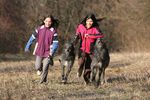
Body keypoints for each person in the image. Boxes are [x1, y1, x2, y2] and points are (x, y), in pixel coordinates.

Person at [25, 15, 59, 84]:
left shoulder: (53, 31)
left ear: (51, 22)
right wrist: (27, 46)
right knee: (37, 66)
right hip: (39, 50)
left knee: (45, 66)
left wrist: (52, 52)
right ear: (44, 21)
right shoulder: (39, 29)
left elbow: (55, 43)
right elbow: (32, 38)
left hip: (48, 52)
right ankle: (40, 68)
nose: (48, 23)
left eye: (49, 21)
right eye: (46, 21)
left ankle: (42, 81)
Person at [72, 13, 104, 85]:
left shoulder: (95, 28)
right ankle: (80, 69)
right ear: (85, 20)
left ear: (93, 22)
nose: (89, 23)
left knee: (88, 66)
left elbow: (101, 35)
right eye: (88, 21)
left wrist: (90, 35)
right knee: (81, 62)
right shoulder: (81, 26)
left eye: (91, 21)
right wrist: (74, 43)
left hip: (91, 50)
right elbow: (77, 35)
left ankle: (87, 80)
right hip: (82, 49)